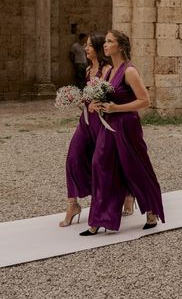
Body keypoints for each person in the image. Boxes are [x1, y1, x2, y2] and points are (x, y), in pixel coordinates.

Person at [80, 30, 165, 235]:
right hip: (108, 125)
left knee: (134, 166)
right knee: (100, 164)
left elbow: (144, 101)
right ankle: (99, 219)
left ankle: (151, 209)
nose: (105, 45)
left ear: (121, 46)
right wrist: (97, 105)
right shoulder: (109, 71)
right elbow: (109, 96)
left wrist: (116, 108)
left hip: (127, 126)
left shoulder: (129, 71)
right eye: (106, 42)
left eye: (110, 42)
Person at [59, 33, 111, 227]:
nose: (86, 48)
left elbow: (112, 94)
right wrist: (77, 98)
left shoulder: (107, 69)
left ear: (97, 49)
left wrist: (98, 102)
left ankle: (124, 195)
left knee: (102, 161)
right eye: (86, 45)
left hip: (102, 121)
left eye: (89, 46)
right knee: (73, 156)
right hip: (86, 120)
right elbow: (89, 93)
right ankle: (72, 203)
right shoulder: (89, 69)